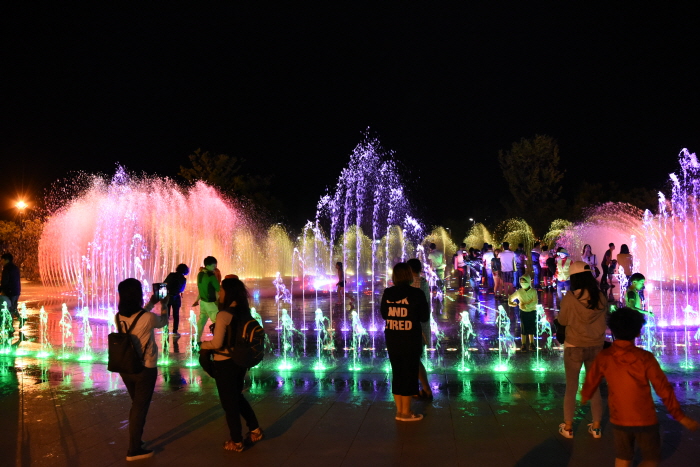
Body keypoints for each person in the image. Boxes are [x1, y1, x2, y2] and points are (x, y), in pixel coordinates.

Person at [581, 308, 699, 466]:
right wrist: (679, 415)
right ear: (638, 332)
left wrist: (586, 394)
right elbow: (663, 387)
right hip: (645, 419)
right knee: (651, 459)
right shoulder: (645, 358)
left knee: (623, 457)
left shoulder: (605, 356)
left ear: (613, 330)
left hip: (619, 418)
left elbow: (592, 378)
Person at [200, 277, 263, 452]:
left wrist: (202, 345)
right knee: (237, 397)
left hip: (225, 364)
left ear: (228, 293)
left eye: (221, 290)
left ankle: (236, 441)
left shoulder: (224, 315)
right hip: (240, 362)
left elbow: (217, 344)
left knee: (230, 405)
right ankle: (255, 429)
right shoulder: (243, 312)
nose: (219, 293)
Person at [115, 278, 169, 461]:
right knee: (139, 408)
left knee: (136, 404)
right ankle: (134, 449)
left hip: (126, 367)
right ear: (137, 295)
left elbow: (139, 318)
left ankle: (137, 440)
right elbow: (162, 321)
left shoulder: (119, 316)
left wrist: (152, 303)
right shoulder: (148, 318)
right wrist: (164, 304)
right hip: (145, 368)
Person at [556, 261, 607, 439]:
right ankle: (597, 427)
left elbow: (562, 320)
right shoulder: (600, 296)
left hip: (574, 346)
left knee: (571, 387)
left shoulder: (571, 297)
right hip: (596, 346)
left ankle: (568, 427)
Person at [381, 262, 430, 421]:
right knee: (409, 374)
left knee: (398, 374)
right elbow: (424, 317)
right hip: (410, 339)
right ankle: (407, 412)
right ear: (409, 275)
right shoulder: (416, 294)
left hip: (393, 339)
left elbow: (383, 314)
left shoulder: (388, 293)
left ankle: (399, 411)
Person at [407, 258, 433, 401]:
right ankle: (422, 388)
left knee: (413, 359)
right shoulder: (422, 281)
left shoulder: (416, 283)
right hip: (419, 326)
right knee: (413, 359)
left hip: (416, 327)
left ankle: (425, 389)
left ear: (410, 270)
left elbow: (414, 306)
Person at [192, 256, 221, 342]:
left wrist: (197, 300)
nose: (214, 268)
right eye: (213, 266)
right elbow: (218, 289)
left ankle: (196, 339)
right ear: (207, 265)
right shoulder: (211, 276)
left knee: (201, 321)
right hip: (211, 303)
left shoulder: (200, 274)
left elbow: (201, 288)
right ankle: (218, 340)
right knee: (217, 322)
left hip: (203, 302)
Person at [508, 275, 538, 352]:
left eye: (524, 281)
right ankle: (523, 344)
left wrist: (527, 305)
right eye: (521, 282)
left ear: (528, 281)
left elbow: (535, 302)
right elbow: (511, 297)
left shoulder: (533, 291)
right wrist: (511, 303)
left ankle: (532, 343)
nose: (523, 283)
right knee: (523, 329)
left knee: (531, 328)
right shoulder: (519, 292)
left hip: (532, 311)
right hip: (523, 312)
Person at [163, 263, 189, 335]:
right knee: (176, 315)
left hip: (168, 296)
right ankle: (175, 330)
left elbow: (164, 283)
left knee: (166, 314)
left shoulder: (171, 275)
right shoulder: (183, 279)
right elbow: (181, 289)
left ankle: (166, 329)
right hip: (176, 297)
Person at [0, 253, 21, 320]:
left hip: (10, 292)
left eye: (2, 259)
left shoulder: (7, 268)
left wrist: (2, 290)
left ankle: (10, 325)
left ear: (6, 260)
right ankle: (20, 319)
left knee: (9, 308)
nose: (1, 261)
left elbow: (5, 281)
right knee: (13, 307)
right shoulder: (15, 267)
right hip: (16, 291)